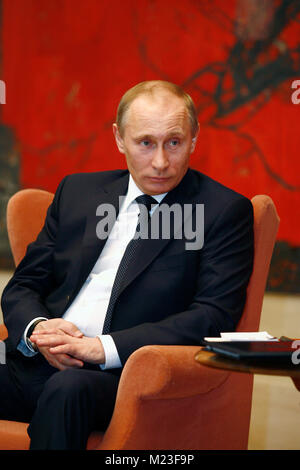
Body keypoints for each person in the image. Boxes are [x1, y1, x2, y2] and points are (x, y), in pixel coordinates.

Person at [0, 80, 254, 450]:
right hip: (39, 358)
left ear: (194, 139)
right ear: (120, 139)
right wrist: (40, 332)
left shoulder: (222, 212)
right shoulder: (78, 193)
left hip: (120, 377)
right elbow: (23, 286)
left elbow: (213, 315)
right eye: (145, 143)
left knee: (68, 389)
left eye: (174, 142)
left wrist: (102, 348)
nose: (161, 161)